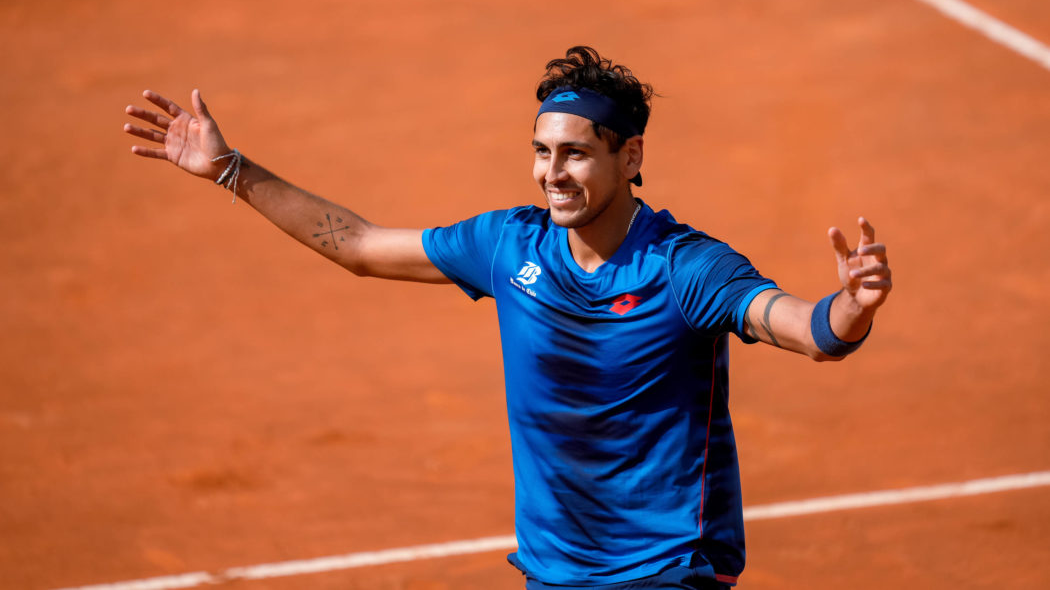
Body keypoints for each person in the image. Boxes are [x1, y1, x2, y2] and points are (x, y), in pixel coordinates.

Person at [123, 46, 891, 589]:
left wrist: (850, 307)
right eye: (541, 152)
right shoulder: (507, 245)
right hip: (554, 573)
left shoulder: (685, 268)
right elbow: (356, 245)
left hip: (664, 571)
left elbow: (804, 329)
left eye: (576, 155)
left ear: (630, 158)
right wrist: (230, 170)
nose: (552, 174)